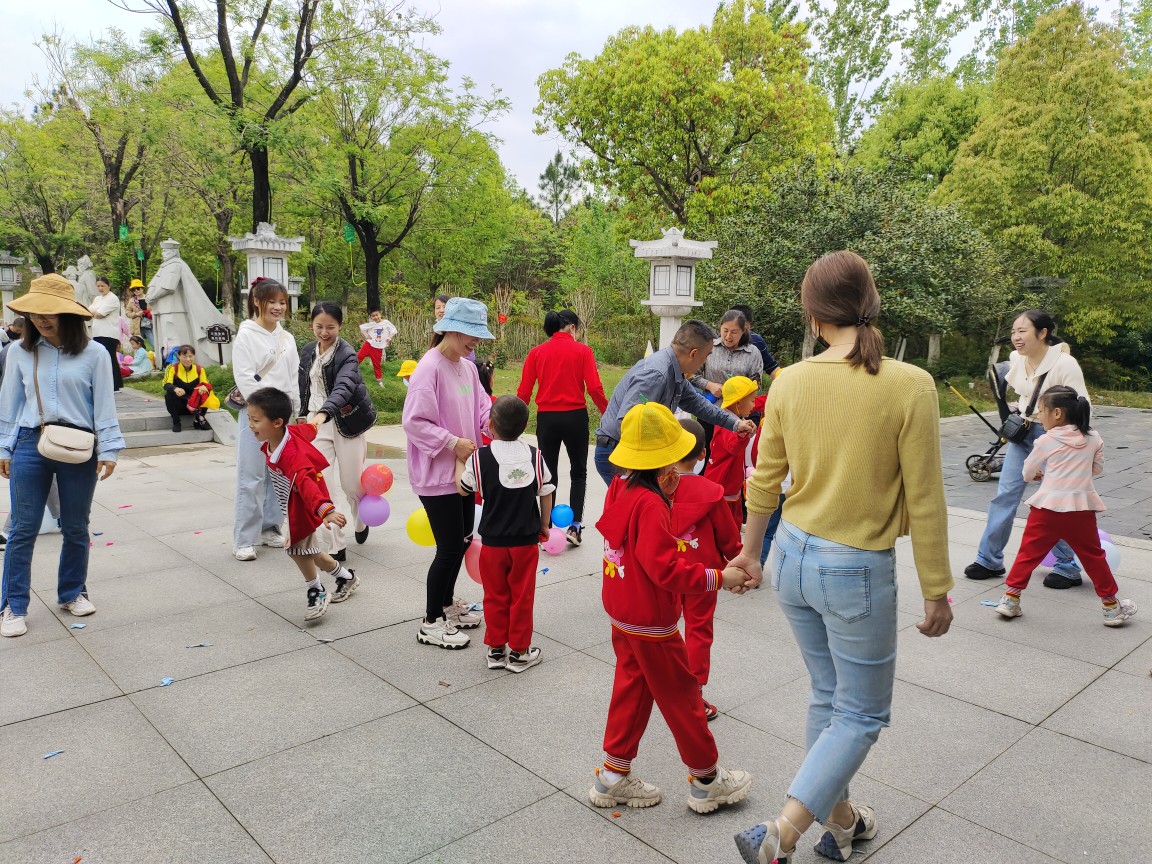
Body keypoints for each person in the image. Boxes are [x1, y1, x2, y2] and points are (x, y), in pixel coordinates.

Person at [730, 251, 953, 864]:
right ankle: (781, 834)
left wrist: (750, 553)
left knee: (828, 697)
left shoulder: (790, 381)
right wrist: (936, 587)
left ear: (813, 314)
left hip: (791, 556)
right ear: (871, 304)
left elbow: (764, 479)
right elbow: (925, 496)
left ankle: (844, 823)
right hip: (854, 567)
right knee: (860, 713)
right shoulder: (910, 385)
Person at [590, 401, 753, 813]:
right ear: (665, 466)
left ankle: (612, 776)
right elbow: (667, 570)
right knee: (683, 696)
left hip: (622, 610)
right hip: (651, 619)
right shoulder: (651, 504)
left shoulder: (620, 487)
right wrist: (720, 577)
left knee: (632, 687)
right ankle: (707, 780)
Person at [0, 274, 124, 638]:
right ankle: (12, 605)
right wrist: (3, 447)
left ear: (68, 314)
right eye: (35, 311)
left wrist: (109, 448)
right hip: (29, 442)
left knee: (75, 525)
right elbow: (9, 404)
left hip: (79, 445)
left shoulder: (95, 353)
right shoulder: (19, 352)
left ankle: (72, 592)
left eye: (50, 311)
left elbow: (104, 405)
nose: (41, 318)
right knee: (23, 528)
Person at [964, 310, 1088, 589]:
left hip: (1055, 438)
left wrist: (1072, 446)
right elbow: (1025, 392)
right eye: (1013, 331)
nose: (1016, 337)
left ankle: (1067, 566)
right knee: (1005, 495)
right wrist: (1020, 406)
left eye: (1022, 331)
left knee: (1053, 502)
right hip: (1023, 433)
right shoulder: (1017, 359)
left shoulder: (1064, 364)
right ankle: (988, 560)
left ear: (1043, 333)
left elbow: (1082, 406)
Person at [994, 386, 1137, 626]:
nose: (1040, 416)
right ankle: (1111, 608)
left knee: (1028, 554)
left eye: (1042, 411)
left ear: (1057, 413)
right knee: (1094, 557)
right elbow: (1097, 469)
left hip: (1045, 509)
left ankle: (1010, 600)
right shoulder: (1093, 438)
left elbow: (1027, 472)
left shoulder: (1045, 440)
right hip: (1081, 509)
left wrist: (1039, 474)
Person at [402, 297, 493, 649]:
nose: (476, 341)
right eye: (472, 334)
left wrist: (496, 424)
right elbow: (414, 422)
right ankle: (431, 621)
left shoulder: (467, 367)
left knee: (463, 540)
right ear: (451, 330)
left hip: (463, 472)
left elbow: (482, 407)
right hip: (436, 473)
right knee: (450, 547)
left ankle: (445, 604)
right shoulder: (429, 368)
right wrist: (452, 442)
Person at [594, 320, 756, 486]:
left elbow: (698, 404)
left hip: (634, 453)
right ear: (693, 353)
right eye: (707, 355)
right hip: (618, 452)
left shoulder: (675, 370)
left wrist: (736, 424)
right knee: (640, 502)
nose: (706, 361)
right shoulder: (656, 374)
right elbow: (629, 422)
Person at [459, 395, 554, 673]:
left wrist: (457, 462)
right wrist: (544, 525)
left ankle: (496, 649)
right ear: (525, 426)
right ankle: (520, 652)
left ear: (490, 425)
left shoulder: (480, 458)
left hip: (492, 543)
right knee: (522, 596)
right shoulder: (535, 456)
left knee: (494, 595)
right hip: (525, 541)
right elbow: (546, 491)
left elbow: (464, 488)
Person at [246, 387, 359, 620]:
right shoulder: (287, 434)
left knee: (297, 550)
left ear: (277, 422)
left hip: (303, 506)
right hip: (293, 504)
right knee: (310, 551)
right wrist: (320, 417)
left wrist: (326, 510)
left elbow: (307, 485)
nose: (250, 425)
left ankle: (316, 590)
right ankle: (345, 577)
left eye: (256, 420)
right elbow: (310, 429)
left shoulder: (292, 456)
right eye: (250, 419)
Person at [517, 309, 609, 547]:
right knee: (579, 472)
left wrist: (517, 423)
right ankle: (575, 527)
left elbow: (524, 391)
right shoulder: (583, 351)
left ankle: (545, 528)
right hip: (575, 418)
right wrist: (607, 413)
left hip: (547, 419)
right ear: (572, 328)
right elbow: (594, 388)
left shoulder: (536, 352)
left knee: (548, 474)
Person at [670, 418, 740, 721]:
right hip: (704, 575)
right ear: (702, 453)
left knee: (664, 628)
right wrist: (739, 564)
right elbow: (728, 538)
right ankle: (694, 692)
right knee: (698, 629)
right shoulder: (712, 491)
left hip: (665, 571)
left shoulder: (656, 488)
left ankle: (662, 682)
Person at [299, 302, 377, 562]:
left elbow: (343, 387)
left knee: (352, 484)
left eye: (330, 327)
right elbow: (302, 385)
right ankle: (335, 544)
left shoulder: (347, 354)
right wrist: (303, 415)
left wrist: (324, 413)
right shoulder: (307, 351)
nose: (324, 332)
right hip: (316, 424)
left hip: (346, 422)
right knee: (321, 482)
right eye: (319, 326)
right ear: (312, 326)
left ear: (339, 326)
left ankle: (361, 518)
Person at [232, 277, 300, 562]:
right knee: (252, 476)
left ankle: (270, 527)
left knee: (279, 473)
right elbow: (245, 377)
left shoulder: (287, 338)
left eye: (282, 302)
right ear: (257, 302)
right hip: (256, 415)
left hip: (282, 418)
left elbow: (293, 377)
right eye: (272, 301)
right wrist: (262, 413)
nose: (278, 307)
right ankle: (244, 539)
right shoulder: (246, 335)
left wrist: (294, 409)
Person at [704, 376, 758, 528]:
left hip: (730, 485)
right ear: (738, 403)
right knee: (723, 526)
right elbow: (733, 447)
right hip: (723, 485)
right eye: (752, 400)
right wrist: (743, 434)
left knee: (733, 523)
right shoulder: (727, 422)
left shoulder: (736, 420)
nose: (754, 405)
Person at [163, 345, 212, 432]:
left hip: (194, 405)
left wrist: (204, 387)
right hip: (179, 406)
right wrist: (175, 388)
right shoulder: (172, 368)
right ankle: (176, 421)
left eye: (190, 356)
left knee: (206, 392)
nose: (188, 359)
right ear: (178, 356)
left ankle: (199, 418)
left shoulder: (199, 369)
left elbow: (206, 383)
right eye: (184, 356)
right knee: (169, 394)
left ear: (194, 356)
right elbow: (166, 383)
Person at [88, 275, 123, 392]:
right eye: (98, 286)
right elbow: (88, 311)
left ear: (109, 286)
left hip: (109, 333)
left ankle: (115, 384)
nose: (100, 288)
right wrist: (94, 312)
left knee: (110, 358)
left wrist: (93, 312)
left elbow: (100, 314)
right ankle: (104, 383)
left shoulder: (112, 298)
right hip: (97, 332)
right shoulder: (97, 299)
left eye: (102, 286)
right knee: (101, 359)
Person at [730, 304, 781, 380]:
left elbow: (772, 368)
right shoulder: (717, 343)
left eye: (745, 330)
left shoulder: (756, 341)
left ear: (749, 325)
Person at [357, 307, 397, 386]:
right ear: (371, 317)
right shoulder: (372, 324)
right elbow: (362, 327)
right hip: (369, 344)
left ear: (380, 314)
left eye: (377, 315)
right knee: (358, 357)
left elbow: (393, 330)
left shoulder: (386, 323)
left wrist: (389, 338)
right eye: (373, 316)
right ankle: (348, 371)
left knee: (377, 364)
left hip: (378, 347)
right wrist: (367, 336)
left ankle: (379, 381)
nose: (375, 317)